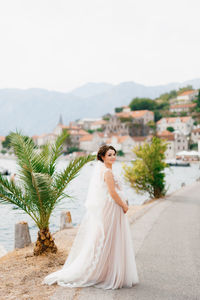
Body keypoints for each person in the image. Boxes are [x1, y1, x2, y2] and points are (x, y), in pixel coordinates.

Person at [43, 145, 139, 289]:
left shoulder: (106, 170)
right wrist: (124, 206)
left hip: (113, 207)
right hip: (113, 208)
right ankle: (104, 272)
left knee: (112, 239)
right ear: (102, 157)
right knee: (108, 238)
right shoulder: (107, 172)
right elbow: (112, 193)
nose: (113, 157)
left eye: (114, 154)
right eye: (109, 155)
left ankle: (110, 271)